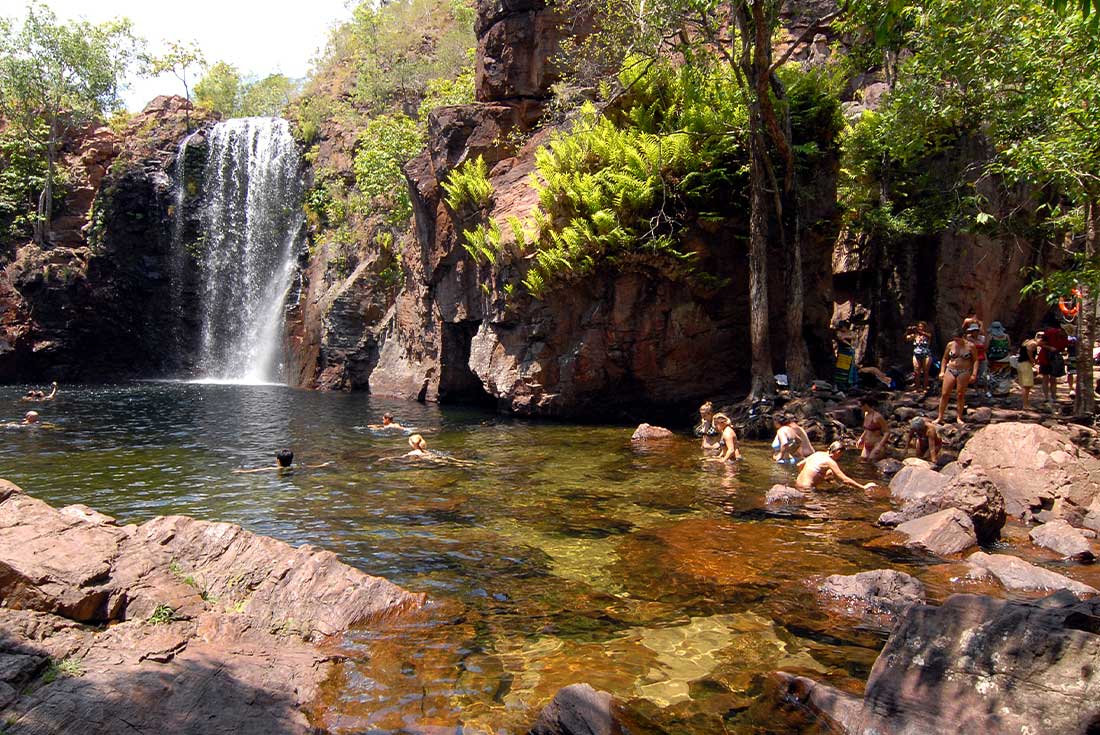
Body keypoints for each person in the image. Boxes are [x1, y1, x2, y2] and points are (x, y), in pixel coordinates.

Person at [795, 441, 877, 491]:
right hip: (807, 488)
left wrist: (812, 476)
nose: (839, 457)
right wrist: (863, 487)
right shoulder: (829, 461)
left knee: (829, 472)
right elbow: (844, 479)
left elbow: (799, 465)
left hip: (798, 484)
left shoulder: (817, 453)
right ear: (838, 452)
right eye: (840, 455)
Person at [937, 327, 977, 423]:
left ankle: (959, 417)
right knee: (945, 394)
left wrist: (974, 374)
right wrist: (942, 371)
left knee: (960, 394)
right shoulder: (950, 345)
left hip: (964, 371)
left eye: (958, 339)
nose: (956, 341)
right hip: (950, 369)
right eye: (954, 339)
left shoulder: (970, 346)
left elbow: (975, 360)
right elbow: (945, 358)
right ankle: (940, 417)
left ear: (963, 337)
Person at [233, 449, 330, 474]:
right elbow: (310, 467)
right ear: (291, 460)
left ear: (278, 460)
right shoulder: (294, 467)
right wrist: (323, 465)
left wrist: (241, 471)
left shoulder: (274, 468)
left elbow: (257, 470)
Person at [857, 397, 889, 461]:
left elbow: (887, 432)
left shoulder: (878, 417)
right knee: (861, 461)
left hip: (876, 445)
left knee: (871, 463)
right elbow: (867, 430)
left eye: (860, 406)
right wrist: (861, 438)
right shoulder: (866, 414)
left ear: (866, 405)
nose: (859, 408)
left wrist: (880, 445)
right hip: (867, 445)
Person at [906, 321, 934, 393]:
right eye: (919, 326)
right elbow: (907, 338)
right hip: (916, 354)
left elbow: (929, 336)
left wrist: (918, 330)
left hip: (926, 354)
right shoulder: (915, 335)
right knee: (916, 371)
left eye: (922, 327)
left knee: (925, 371)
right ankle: (917, 387)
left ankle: (925, 387)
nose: (920, 328)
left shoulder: (927, 335)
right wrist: (908, 331)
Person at [965, 322, 988, 397]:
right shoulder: (968, 338)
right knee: (974, 374)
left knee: (984, 375)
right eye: (973, 331)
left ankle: (986, 390)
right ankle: (976, 390)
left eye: (976, 331)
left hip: (982, 358)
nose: (974, 332)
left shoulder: (982, 338)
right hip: (972, 359)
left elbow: (985, 348)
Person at [1016, 334, 1038, 410]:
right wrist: (1032, 360)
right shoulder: (1033, 343)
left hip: (1020, 364)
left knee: (1024, 385)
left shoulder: (1026, 342)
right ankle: (1025, 405)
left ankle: (1025, 403)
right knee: (1027, 386)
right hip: (1026, 364)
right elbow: (1029, 351)